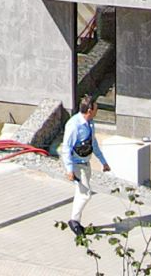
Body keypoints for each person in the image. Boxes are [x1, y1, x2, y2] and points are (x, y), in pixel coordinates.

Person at [60, 100, 111, 233]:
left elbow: (93, 143)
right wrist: (69, 170)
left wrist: (103, 162)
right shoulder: (74, 125)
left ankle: (76, 221)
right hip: (77, 164)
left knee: (81, 192)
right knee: (85, 194)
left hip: (86, 163)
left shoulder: (90, 123)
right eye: (96, 109)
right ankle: (74, 221)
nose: (97, 112)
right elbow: (66, 148)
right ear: (89, 110)